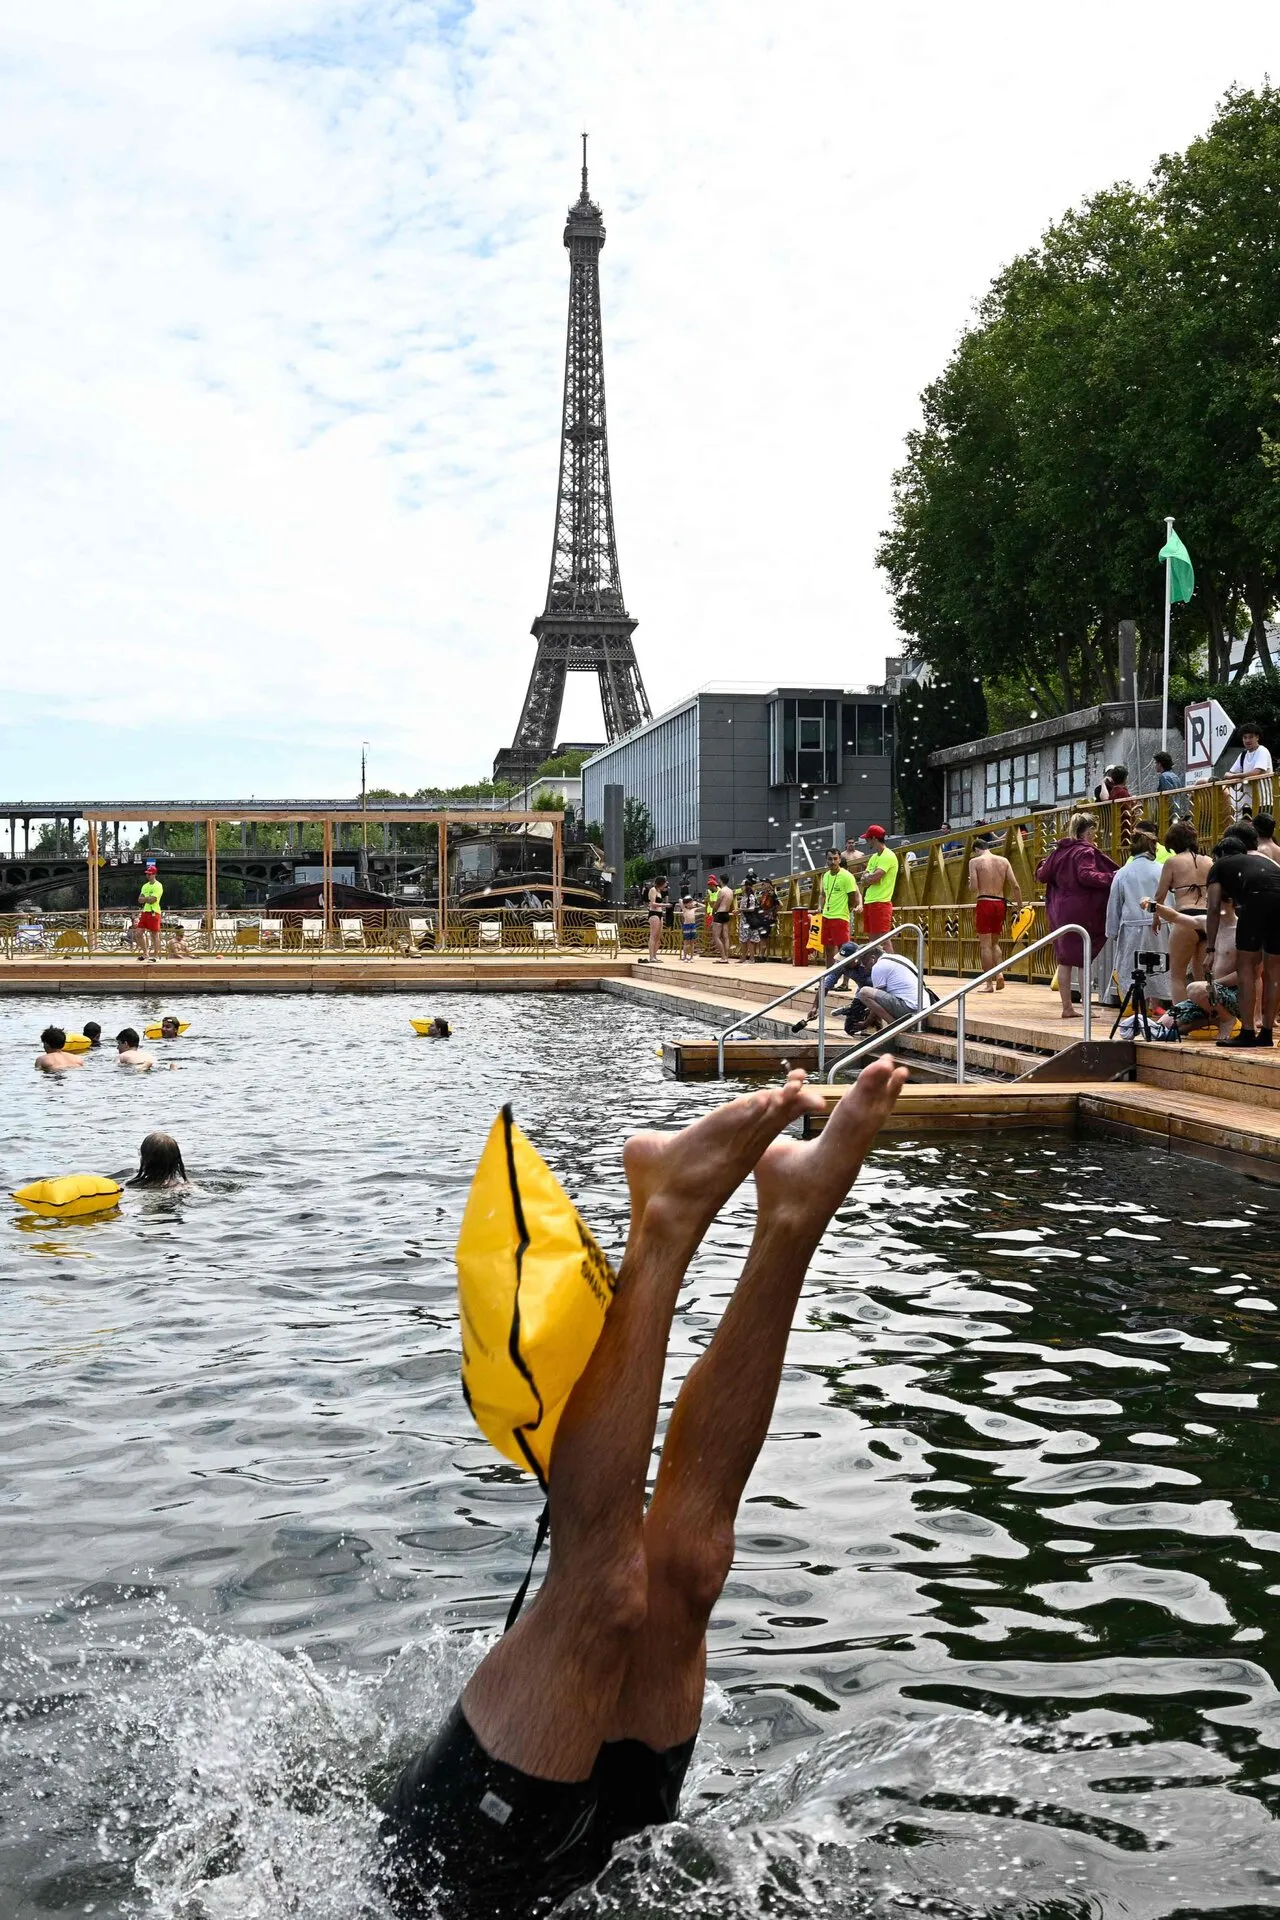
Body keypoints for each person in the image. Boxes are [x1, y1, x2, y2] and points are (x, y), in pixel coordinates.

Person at [382, 1059, 910, 1920]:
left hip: (441, 1893)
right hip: (600, 1870)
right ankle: (792, 1216)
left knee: (603, 1590)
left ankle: (661, 1222)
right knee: (688, 1571)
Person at [1035, 813, 1118, 1020]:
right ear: (1088, 831)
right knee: (1083, 959)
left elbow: (1042, 875)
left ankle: (1067, 1007)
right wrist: (1113, 876)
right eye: (1094, 833)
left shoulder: (1059, 852)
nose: (1095, 838)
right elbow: (1086, 875)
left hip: (1059, 910)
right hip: (1081, 909)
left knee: (1064, 960)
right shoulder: (1085, 852)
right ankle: (1086, 1007)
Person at [1205, 836, 1280, 1047]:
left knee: (1246, 966)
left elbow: (1213, 908)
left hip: (1257, 899)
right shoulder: (1261, 861)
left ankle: (1247, 1031)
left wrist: (1210, 949)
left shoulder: (1219, 865)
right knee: (1274, 970)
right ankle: (1266, 1033)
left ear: (1219, 855)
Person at [1104, 832, 1166, 1006]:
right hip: (1159, 926)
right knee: (1158, 967)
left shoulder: (1123, 872)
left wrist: (1112, 931)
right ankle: (1157, 1005)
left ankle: (1136, 1004)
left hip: (1132, 928)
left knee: (1133, 968)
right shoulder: (1161, 869)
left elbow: (1114, 903)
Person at [1153, 821, 1213, 1001]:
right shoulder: (1208, 861)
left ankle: (1179, 1019)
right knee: (1204, 977)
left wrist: (1156, 918)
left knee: (1177, 976)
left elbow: (1159, 895)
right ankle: (1206, 1018)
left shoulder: (1172, 862)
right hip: (1207, 919)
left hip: (1185, 918)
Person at [967, 836, 1022, 989]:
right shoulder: (1003, 861)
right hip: (1000, 903)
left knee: (985, 945)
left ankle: (989, 983)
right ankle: (999, 974)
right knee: (995, 943)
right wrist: (1020, 907)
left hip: (984, 901)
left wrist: (969, 881)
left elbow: (973, 887)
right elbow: (1015, 886)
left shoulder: (975, 862)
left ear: (977, 850)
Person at [818, 849, 860, 967]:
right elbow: (823, 894)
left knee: (845, 951)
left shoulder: (847, 876)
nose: (833, 862)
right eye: (830, 859)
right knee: (828, 949)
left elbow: (853, 897)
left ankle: (845, 982)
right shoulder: (825, 876)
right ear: (826, 860)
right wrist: (821, 906)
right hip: (827, 916)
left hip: (840, 917)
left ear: (840, 860)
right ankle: (828, 979)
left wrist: (846, 909)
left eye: (835, 859)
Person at [859, 827, 898, 947]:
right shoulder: (874, 857)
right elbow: (864, 879)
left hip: (881, 902)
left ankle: (890, 964)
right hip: (870, 900)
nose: (866, 841)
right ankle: (876, 965)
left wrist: (868, 877)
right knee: (873, 941)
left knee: (883, 939)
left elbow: (873, 878)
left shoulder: (888, 855)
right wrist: (869, 877)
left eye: (868, 839)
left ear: (874, 838)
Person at [1227, 722, 1273, 818]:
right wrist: (1230, 775)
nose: (1247, 740)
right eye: (1245, 737)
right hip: (1246, 803)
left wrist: (1235, 776)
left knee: (1261, 831)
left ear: (1257, 737)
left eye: (1251, 737)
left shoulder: (1262, 751)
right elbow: (1229, 773)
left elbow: (1256, 772)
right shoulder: (1243, 755)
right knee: (1247, 831)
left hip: (1263, 801)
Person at [136, 860, 164, 963]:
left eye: (150, 874)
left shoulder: (158, 885)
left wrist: (145, 898)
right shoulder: (145, 886)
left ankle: (156, 955)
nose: (148, 876)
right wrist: (147, 898)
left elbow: (153, 900)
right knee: (138, 933)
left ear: (154, 874)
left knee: (154, 934)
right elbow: (140, 899)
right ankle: (145, 953)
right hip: (145, 911)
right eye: (147, 874)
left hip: (154, 911)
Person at [709, 876, 735, 964]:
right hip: (726, 913)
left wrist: (713, 910)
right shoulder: (730, 891)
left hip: (720, 913)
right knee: (726, 937)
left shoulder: (722, 891)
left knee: (716, 936)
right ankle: (726, 957)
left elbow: (717, 903)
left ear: (720, 881)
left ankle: (723, 957)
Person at [644, 879, 669, 965]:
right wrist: (665, 905)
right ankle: (651, 957)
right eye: (665, 883)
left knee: (658, 936)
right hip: (654, 913)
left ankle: (655, 955)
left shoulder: (659, 892)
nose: (666, 885)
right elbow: (652, 903)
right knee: (653, 935)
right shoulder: (653, 890)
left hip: (660, 913)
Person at [678, 895, 699, 961]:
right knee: (686, 942)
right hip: (686, 926)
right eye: (689, 903)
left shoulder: (693, 909)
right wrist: (686, 902)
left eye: (691, 902)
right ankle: (685, 956)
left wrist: (696, 903)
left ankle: (691, 957)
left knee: (692, 943)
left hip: (692, 925)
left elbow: (703, 906)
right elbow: (680, 900)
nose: (691, 904)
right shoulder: (684, 909)